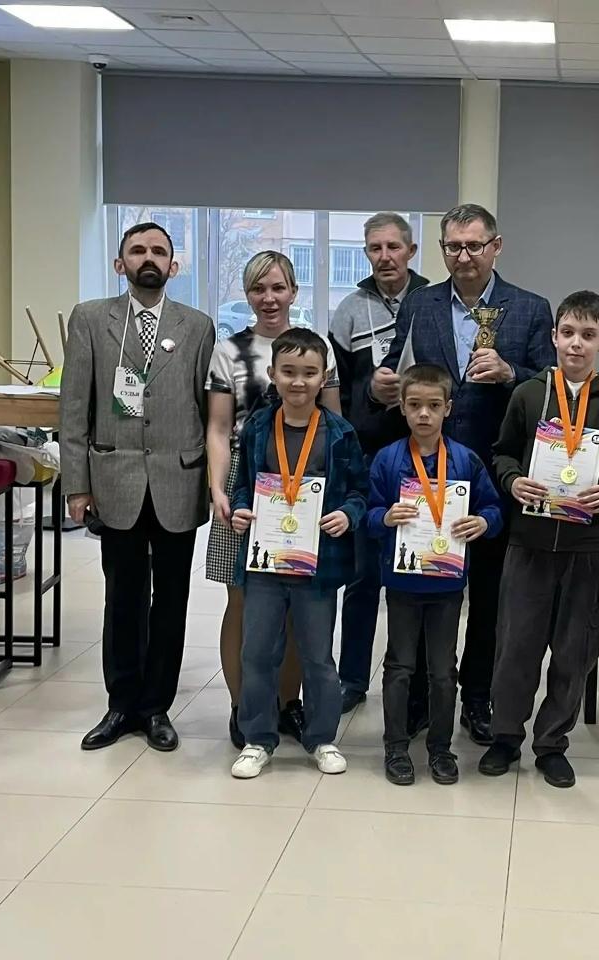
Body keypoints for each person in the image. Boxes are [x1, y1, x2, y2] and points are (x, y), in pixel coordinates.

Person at [371, 203, 554, 744]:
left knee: (491, 597)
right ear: (442, 250)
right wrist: (380, 386)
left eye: (475, 245)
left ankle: (477, 697)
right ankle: (423, 698)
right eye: (454, 246)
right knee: (426, 588)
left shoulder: (530, 307)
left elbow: (550, 384)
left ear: (496, 246)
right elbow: (399, 367)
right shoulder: (421, 302)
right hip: (426, 470)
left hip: (495, 471)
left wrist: (512, 372)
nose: (465, 255)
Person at [479, 291, 599, 787]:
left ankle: (552, 743)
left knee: (574, 649)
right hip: (528, 541)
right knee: (516, 645)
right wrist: (512, 481)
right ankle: (506, 736)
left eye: (588, 335)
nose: (577, 344)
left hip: (584, 546)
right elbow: (502, 453)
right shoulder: (528, 394)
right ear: (554, 336)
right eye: (568, 333)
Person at [60, 221, 216, 752]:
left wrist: (213, 483)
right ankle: (122, 704)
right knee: (122, 598)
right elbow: (74, 407)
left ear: (173, 265)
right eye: (137, 250)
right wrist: (77, 486)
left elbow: (207, 410)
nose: (148, 258)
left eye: (158, 251)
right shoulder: (90, 319)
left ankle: (156, 708)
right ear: (119, 262)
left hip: (179, 480)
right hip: (115, 479)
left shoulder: (197, 326)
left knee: (171, 600)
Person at [205, 251, 341, 749]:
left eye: (278, 287)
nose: (269, 298)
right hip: (245, 485)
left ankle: (286, 705)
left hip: (305, 488)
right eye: (258, 289)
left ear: (293, 292)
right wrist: (217, 489)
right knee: (241, 599)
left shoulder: (316, 347)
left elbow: (335, 426)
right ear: (247, 294)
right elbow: (218, 428)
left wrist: (334, 494)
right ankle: (244, 706)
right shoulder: (229, 351)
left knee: (294, 604)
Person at [227, 328, 367, 779]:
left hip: (317, 567)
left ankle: (322, 738)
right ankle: (257, 738)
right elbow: (244, 484)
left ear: (324, 377)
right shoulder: (257, 427)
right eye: (289, 372)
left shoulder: (341, 433)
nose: (299, 382)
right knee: (257, 653)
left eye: (309, 373)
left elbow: (360, 491)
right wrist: (242, 509)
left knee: (318, 657)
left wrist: (347, 515)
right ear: (273, 374)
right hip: (265, 563)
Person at [367, 363, 503, 786]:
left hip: (447, 585)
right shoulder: (388, 459)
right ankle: (395, 747)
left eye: (433, 406)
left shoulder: (465, 460)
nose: (423, 414)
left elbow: (493, 508)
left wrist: (483, 522)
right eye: (414, 405)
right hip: (402, 584)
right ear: (402, 408)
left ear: (448, 408)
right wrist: (384, 517)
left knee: (444, 671)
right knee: (399, 666)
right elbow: (368, 513)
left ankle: (441, 749)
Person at [329, 213, 429, 714]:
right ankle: (351, 679)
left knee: (422, 578)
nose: (385, 256)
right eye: (375, 248)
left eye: (393, 246)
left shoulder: (433, 301)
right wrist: (369, 389)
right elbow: (335, 390)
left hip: (424, 457)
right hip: (369, 459)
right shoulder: (349, 310)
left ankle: (419, 685)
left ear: (411, 250)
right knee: (362, 578)